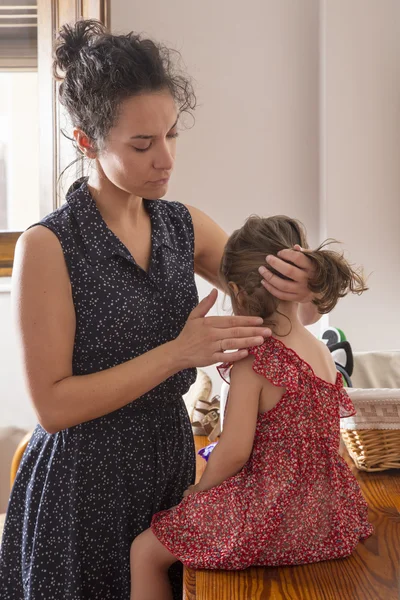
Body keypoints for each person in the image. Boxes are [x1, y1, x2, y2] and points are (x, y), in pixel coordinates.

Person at [0, 20, 323, 600]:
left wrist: (310, 285)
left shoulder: (185, 226)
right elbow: (52, 406)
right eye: (143, 145)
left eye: (172, 135)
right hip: (82, 488)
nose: (166, 159)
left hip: (167, 467)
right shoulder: (48, 246)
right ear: (86, 141)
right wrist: (179, 353)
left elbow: (284, 315)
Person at [130, 215, 373, 600]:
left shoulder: (255, 361)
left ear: (237, 291)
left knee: (144, 551)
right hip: (328, 518)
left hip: (274, 516)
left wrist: (199, 490)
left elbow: (234, 452)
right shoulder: (321, 351)